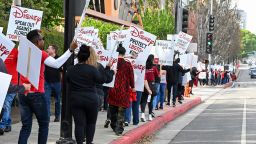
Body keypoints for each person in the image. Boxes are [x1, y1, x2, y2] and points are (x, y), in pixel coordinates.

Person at [18, 29, 78, 144]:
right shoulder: (40, 53)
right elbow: (57, 64)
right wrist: (70, 50)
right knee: (44, 125)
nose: (43, 42)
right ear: (37, 41)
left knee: (25, 126)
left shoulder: (22, 52)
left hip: (22, 93)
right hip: (36, 94)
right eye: (42, 39)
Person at [67, 44, 114, 144]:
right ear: (88, 56)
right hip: (91, 99)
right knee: (91, 123)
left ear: (78, 56)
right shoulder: (92, 69)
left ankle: (79, 142)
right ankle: (89, 142)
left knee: (79, 124)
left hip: (76, 99)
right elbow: (102, 80)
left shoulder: (71, 69)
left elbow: (67, 81)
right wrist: (108, 69)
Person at [108, 44, 135, 136]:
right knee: (121, 110)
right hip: (123, 89)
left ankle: (113, 124)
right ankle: (119, 129)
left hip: (112, 89)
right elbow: (131, 76)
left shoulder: (111, 63)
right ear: (124, 54)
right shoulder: (128, 64)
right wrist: (133, 86)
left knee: (113, 108)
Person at [0, 48, 19, 135]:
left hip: (13, 83)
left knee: (6, 105)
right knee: (6, 105)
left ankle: (2, 126)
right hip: (3, 82)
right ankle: (8, 125)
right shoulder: (1, 51)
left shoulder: (15, 51)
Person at [44, 45, 62, 122]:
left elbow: (62, 71)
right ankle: (47, 117)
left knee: (57, 100)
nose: (47, 49)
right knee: (46, 100)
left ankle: (57, 116)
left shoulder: (59, 58)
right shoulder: (46, 58)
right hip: (47, 82)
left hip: (57, 83)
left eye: (49, 48)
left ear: (54, 50)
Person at [140, 54, 159, 121]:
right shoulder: (154, 67)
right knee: (150, 101)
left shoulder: (144, 67)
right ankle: (150, 115)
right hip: (151, 85)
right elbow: (157, 76)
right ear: (153, 59)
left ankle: (142, 114)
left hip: (144, 84)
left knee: (144, 100)